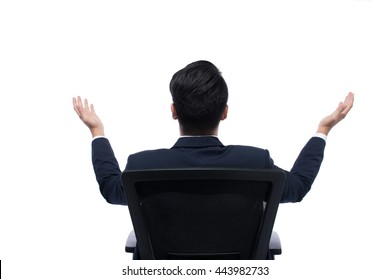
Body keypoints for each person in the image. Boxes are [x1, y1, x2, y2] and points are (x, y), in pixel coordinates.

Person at [73, 60, 354, 206]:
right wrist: (323, 130)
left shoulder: (142, 166)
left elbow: (111, 189)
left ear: (173, 110)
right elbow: (298, 186)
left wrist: (97, 131)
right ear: (224, 112)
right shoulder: (254, 162)